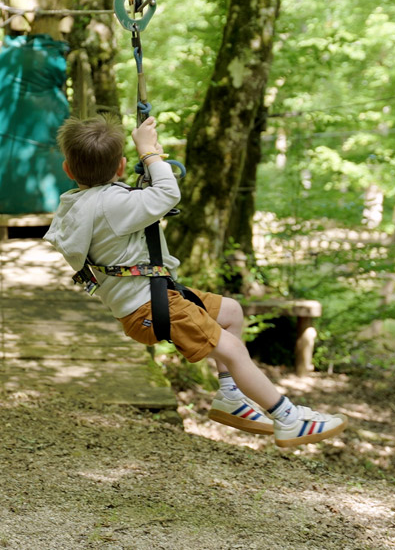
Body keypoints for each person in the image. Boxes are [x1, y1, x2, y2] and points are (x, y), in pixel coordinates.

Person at [44, 115, 347, 448]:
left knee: (230, 312)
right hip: (150, 307)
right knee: (231, 350)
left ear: (68, 170)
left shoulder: (81, 205)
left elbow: (132, 196)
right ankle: (288, 419)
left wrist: (149, 161)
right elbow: (167, 193)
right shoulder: (114, 206)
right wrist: (149, 154)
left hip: (155, 297)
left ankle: (230, 396)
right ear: (120, 166)